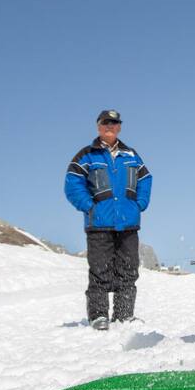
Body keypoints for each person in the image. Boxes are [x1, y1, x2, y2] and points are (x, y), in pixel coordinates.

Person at [64, 110, 152, 330]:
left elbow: (146, 179)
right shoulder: (86, 155)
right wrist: (89, 206)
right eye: (105, 123)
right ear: (98, 127)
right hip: (98, 224)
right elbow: (72, 183)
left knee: (128, 269)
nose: (110, 126)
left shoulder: (131, 155)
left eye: (114, 123)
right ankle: (98, 316)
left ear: (119, 127)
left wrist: (139, 204)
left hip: (128, 223)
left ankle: (124, 316)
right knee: (100, 270)